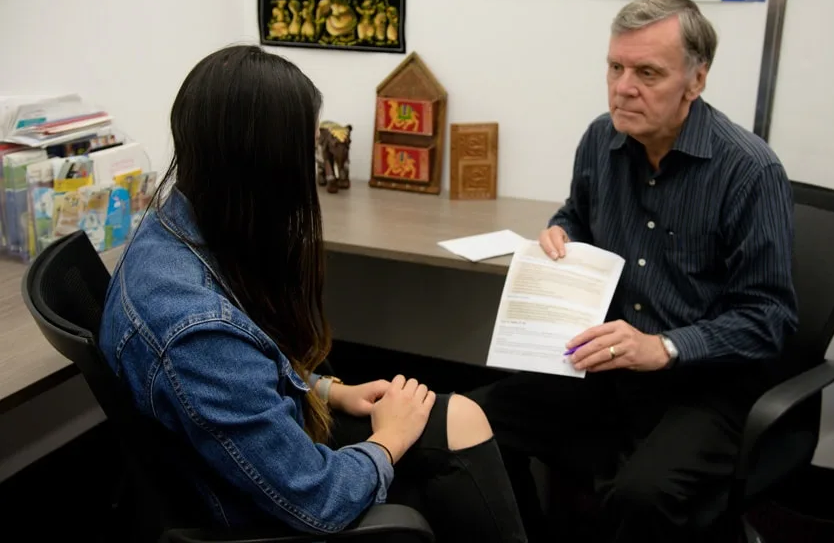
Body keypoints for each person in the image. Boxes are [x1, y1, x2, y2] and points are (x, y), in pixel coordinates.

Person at [98, 45, 527, 542]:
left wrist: (327, 390)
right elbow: (319, 502)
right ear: (263, 165)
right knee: (455, 431)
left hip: (247, 460)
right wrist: (390, 438)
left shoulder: (171, 225)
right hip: (265, 511)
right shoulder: (195, 332)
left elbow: (238, 377)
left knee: (460, 418)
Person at [468, 0, 798, 542]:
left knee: (641, 495)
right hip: (610, 366)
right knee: (470, 428)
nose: (624, 87)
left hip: (706, 382)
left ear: (696, 81)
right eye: (616, 67)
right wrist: (561, 233)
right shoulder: (602, 138)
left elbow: (769, 318)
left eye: (648, 72)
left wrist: (665, 347)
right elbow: (577, 213)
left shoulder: (750, 171)